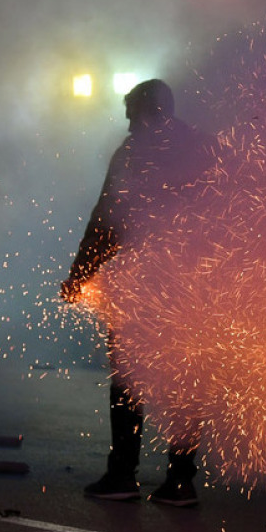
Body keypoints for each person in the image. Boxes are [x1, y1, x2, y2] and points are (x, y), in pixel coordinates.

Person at [61, 79, 213, 507]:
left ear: (144, 112)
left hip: (147, 287)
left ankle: (122, 475)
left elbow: (106, 219)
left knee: (128, 379)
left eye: (131, 116)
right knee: (187, 381)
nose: (128, 126)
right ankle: (181, 481)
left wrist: (79, 275)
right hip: (200, 288)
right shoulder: (205, 148)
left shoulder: (134, 154)